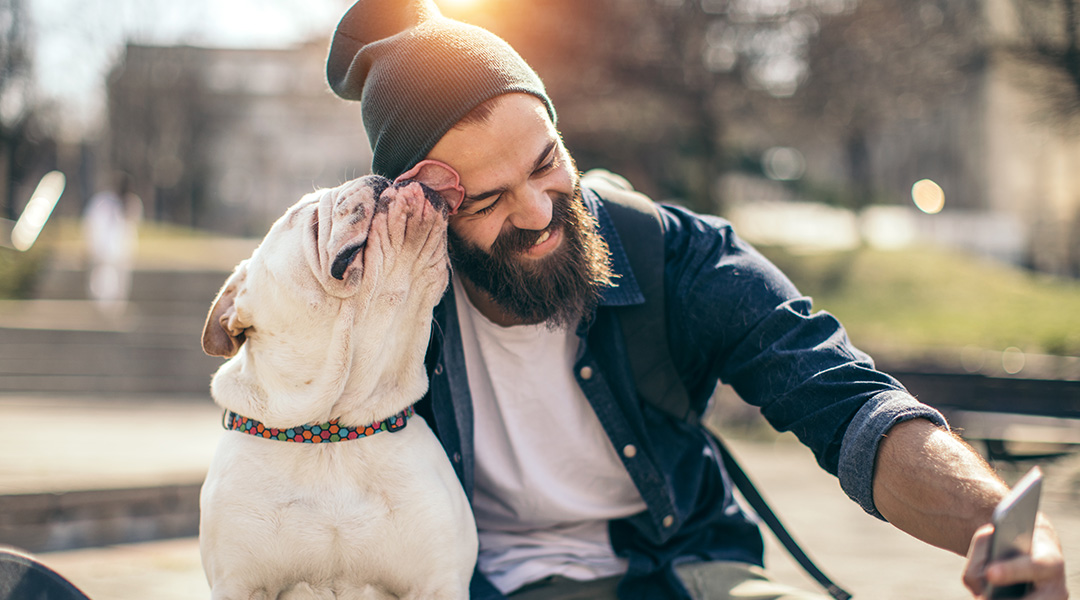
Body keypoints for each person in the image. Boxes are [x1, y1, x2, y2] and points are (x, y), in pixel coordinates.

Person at [326, 1, 1069, 599]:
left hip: (688, 565)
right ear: (424, 214)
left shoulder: (672, 253)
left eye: (547, 163)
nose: (539, 212)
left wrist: (1002, 528)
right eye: (488, 200)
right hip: (482, 580)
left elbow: (846, 404)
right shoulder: (386, 312)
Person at [82, 172, 142, 316]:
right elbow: (93, 223)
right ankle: (100, 311)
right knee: (101, 282)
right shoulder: (103, 201)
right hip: (103, 249)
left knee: (120, 284)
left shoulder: (131, 202)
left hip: (122, 251)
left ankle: (116, 311)